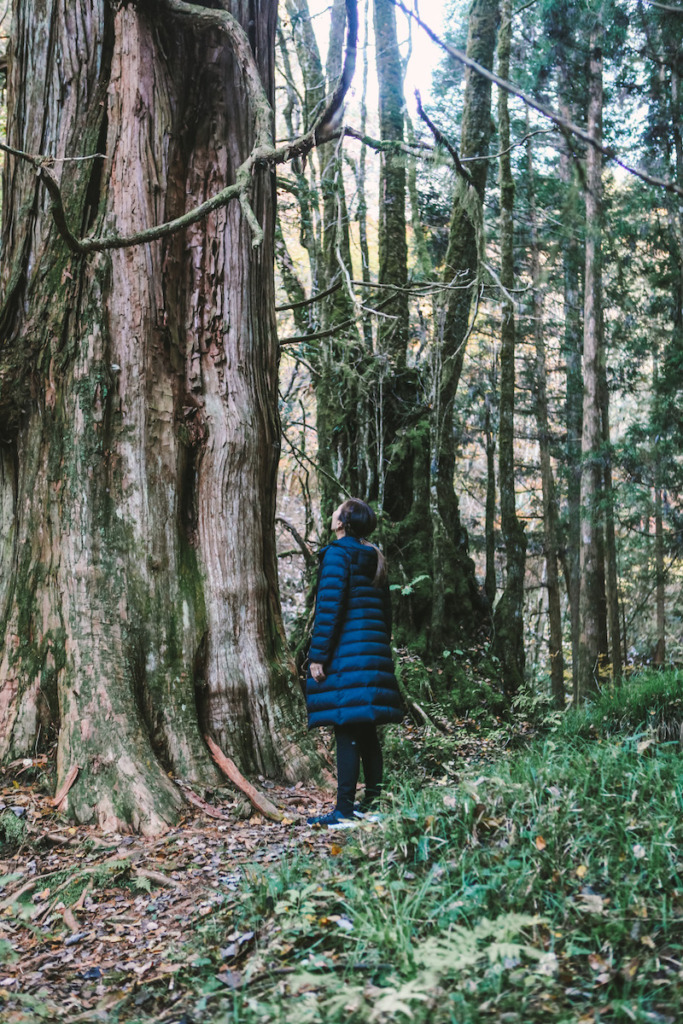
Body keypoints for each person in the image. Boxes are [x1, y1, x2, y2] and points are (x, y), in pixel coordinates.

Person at [305, 498, 403, 827]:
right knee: (366, 730)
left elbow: (329, 610)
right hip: (371, 654)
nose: (332, 513)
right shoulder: (374, 555)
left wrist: (318, 656)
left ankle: (344, 810)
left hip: (347, 655)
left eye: (337, 510)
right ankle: (374, 802)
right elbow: (386, 615)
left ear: (343, 521)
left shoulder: (337, 554)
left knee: (345, 726)